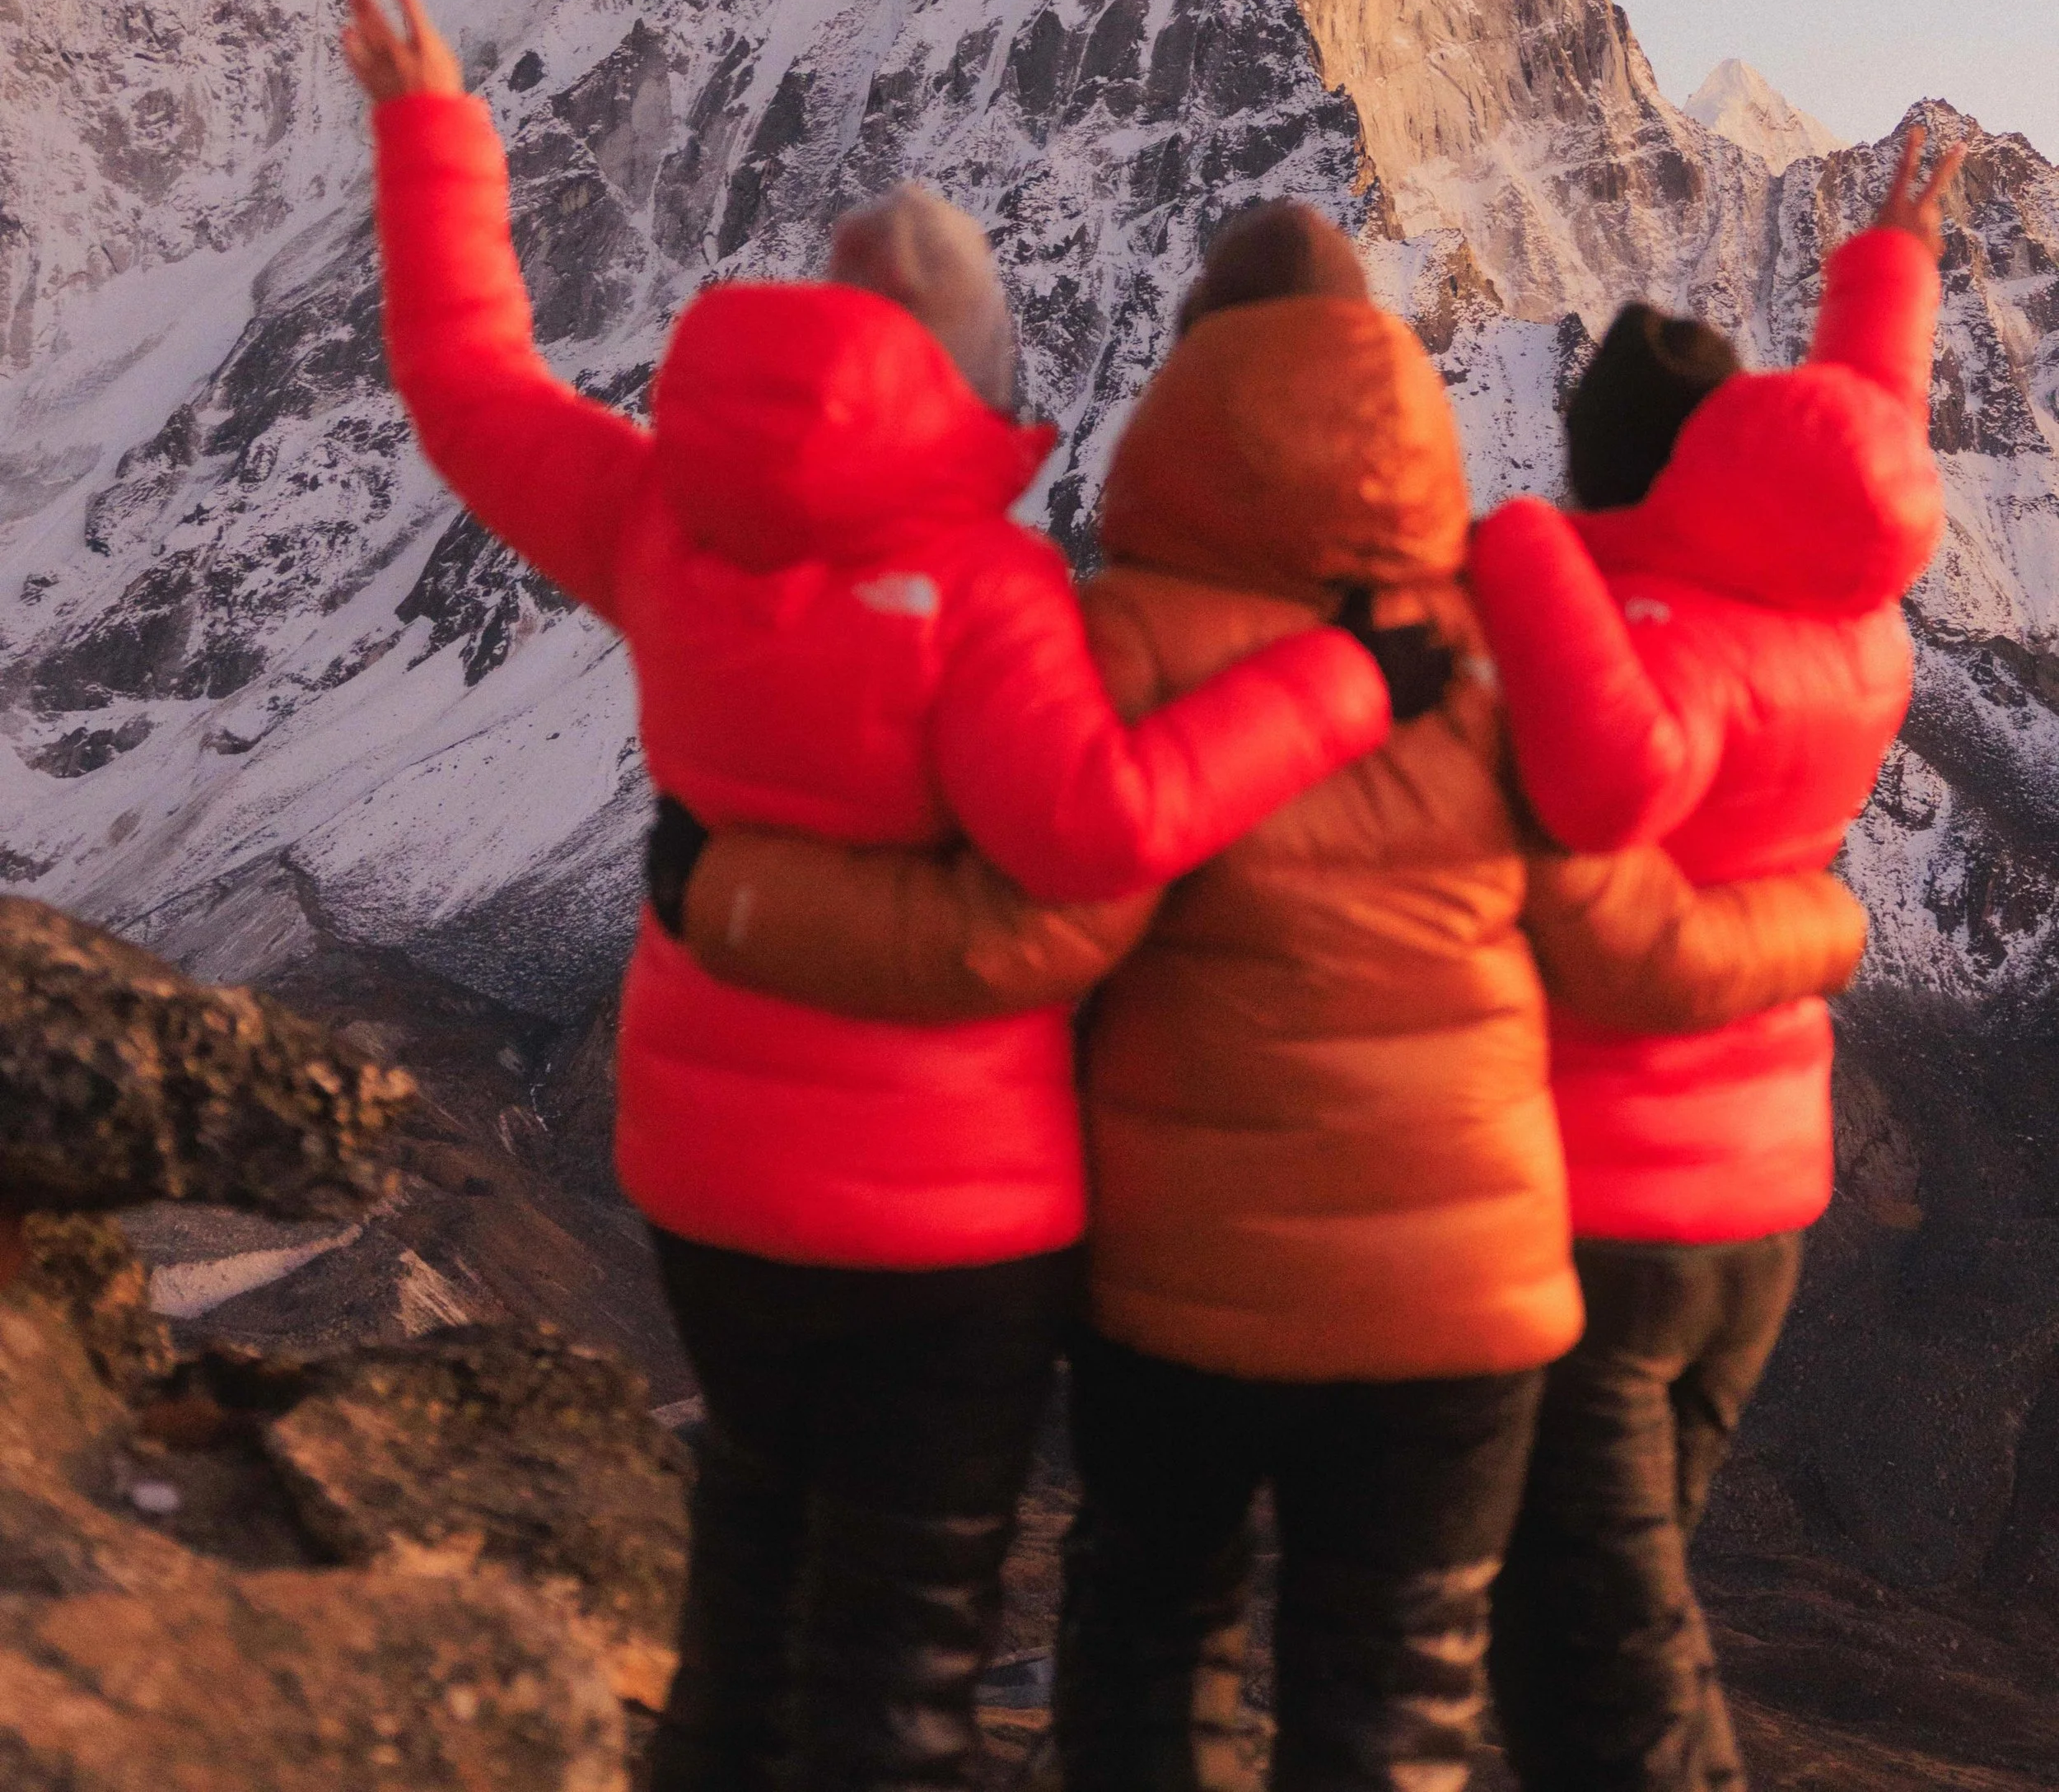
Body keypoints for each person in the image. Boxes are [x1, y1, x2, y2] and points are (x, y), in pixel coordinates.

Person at [681, 205, 1878, 1792]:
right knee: (1396, 1708)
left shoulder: (1113, 641)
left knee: (1152, 1647)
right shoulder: (1509, 649)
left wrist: (729, 893)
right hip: (1467, 1298)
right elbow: (1618, 928)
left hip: (1181, 1282)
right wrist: (1822, 916)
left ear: (1187, 414)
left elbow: (1027, 934)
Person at [340, 0, 1391, 1792]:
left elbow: (471, 389)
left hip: (704, 1171)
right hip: (950, 1215)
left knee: (748, 1563)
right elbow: (1088, 822)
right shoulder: (983, 589)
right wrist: (1338, 682)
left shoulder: (668, 513)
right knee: (899, 1645)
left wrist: (435, 140)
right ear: (974, 380)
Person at [1469, 126, 1963, 1792]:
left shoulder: (1658, 649)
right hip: (1754, 1195)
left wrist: (1524, 553)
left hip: (1609, 1215)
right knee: (1602, 1604)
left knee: (1591, 1642)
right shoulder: (1839, 611)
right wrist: (1887, 271)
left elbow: (1609, 774)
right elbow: (1864, 433)